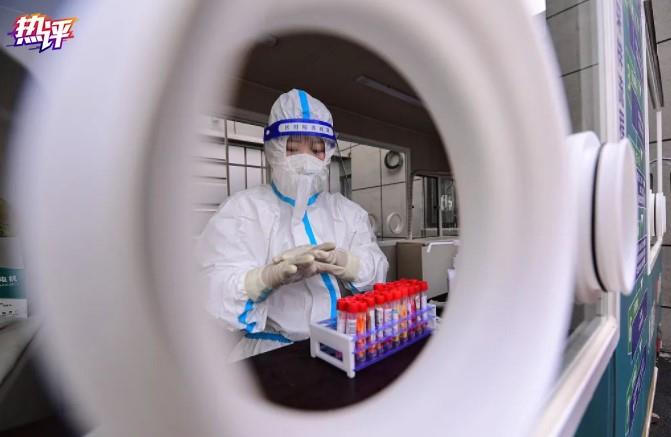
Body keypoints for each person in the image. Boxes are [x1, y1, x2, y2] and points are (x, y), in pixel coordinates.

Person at [196, 89, 389, 360]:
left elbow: (377, 275)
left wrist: (347, 264)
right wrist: (265, 279)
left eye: (316, 149)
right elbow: (211, 288)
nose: (305, 158)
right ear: (273, 148)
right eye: (292, 148)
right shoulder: (242, 211)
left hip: (341, 346)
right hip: (271, 353)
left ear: (328, 153)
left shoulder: (346, 212)